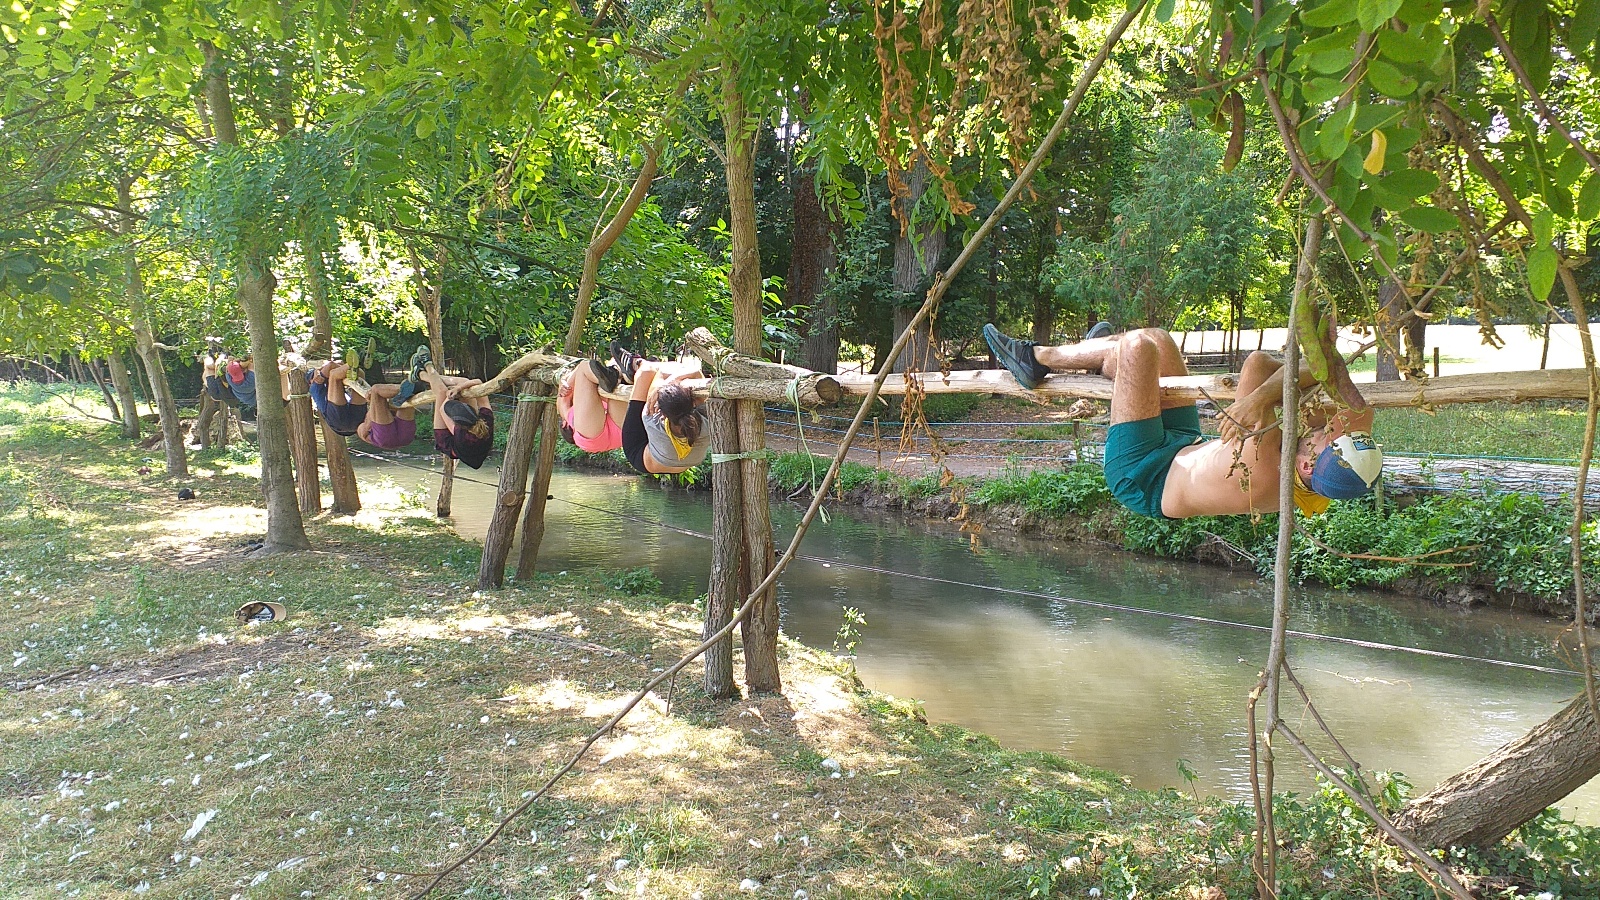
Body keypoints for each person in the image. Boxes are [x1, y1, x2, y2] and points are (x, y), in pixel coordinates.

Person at [982, 323, 1382, 519]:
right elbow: (1356, 400)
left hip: (1143, 476)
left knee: (1137, 349)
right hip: (1183, 442)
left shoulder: (1263, 472)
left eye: (1328, 438)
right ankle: (1102, 358)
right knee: (1159, 338)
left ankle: (1037, 359)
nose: (1331, 429)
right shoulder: (1340, 468)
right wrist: (1309, 379)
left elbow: (1258, 365)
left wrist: (1265, 396)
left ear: (1306, 465)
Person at [612, 346, 710, 476]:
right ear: (693, 403)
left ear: (662, 412)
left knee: (646, 371)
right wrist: (674, 380)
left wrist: (664, 384)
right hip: (684, 463)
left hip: (640, 455)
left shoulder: (653, 418)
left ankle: (637, 363)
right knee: (675, 371)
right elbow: (697, 374)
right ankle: (636, 365)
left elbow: (658, 373)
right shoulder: (707, 421)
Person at [354, 347, 431, 450]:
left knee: (407, 401)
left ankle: (413, 388)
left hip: (405, 439)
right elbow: (368, 424)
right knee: (376, 389)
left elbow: (370, 424)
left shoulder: (364, 431)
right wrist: (373, 400)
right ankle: (411, 387)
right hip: (387, 436)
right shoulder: (361, 428)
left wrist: (375, 403)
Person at [422, 363, 494, 469]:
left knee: (442, 392)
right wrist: (458, 388)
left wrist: (450, 395)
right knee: (465, 382)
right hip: (476, 448)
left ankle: (426, 367)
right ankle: (425, 376)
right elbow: (478, 382)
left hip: (452, 446)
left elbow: (443, 409)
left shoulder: (462, 436)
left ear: (458, 424)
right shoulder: (487, 420)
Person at [556, 358, 628, 453]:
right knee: (583, 368)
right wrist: (566, 381)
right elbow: (565, 390)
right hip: (590, 433)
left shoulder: (590, 406)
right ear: (565, 425)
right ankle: (615, 374)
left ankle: (616, 374)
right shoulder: (566, 416)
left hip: (621, 436)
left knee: (617, 363)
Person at [304, 359, 368, 437]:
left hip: (355, 424)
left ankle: (352, 366)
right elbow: (331, 365)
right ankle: (352, 366)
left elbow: (334, 365)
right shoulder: (314, 387)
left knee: (360, 374)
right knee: (334, 374)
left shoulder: (333, 385)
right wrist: (323, 370)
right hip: (339, 423)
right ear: (311, 380)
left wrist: (340, 366)